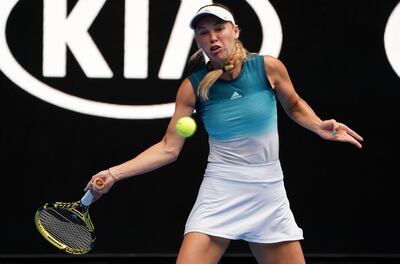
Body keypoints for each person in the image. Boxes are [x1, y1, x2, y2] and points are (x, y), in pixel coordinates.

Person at [85, 3, 363, 264]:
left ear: (235, 31)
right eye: (203, 33)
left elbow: (294, 104)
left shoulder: (267, 67)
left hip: (268, 191)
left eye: (219, 29)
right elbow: (169, 147)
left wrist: (318, 125)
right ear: (198, 42)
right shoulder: (192, 88)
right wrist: (113, 173)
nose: (213, 38)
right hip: (221, 191)